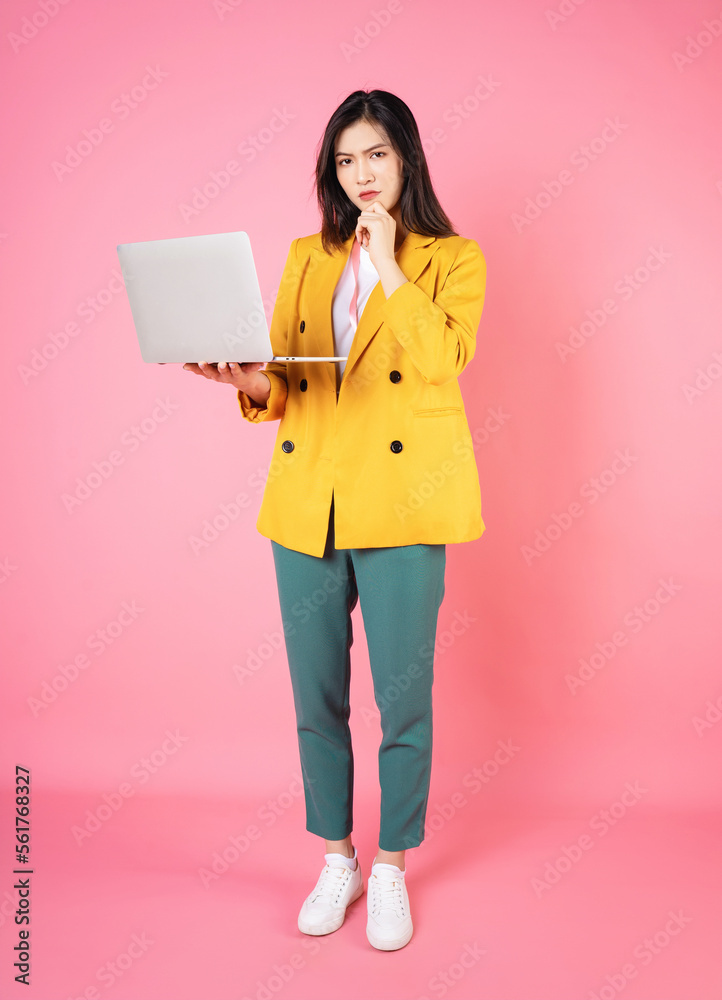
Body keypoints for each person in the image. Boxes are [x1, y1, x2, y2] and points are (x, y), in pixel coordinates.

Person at [183, 88, 487, 951]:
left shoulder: (453, 258)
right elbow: (286, 379)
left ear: (407, 161)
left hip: (402, 504)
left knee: (403, 703)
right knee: (316, 700)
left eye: (377, 156)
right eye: (347, 159)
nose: (361, 174)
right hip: (308, 500)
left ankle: (390, 866)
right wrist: (245, 381)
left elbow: (441, 358)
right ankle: (338, 856)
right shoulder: (305, 257)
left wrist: (389, 260)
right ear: (332, 169)